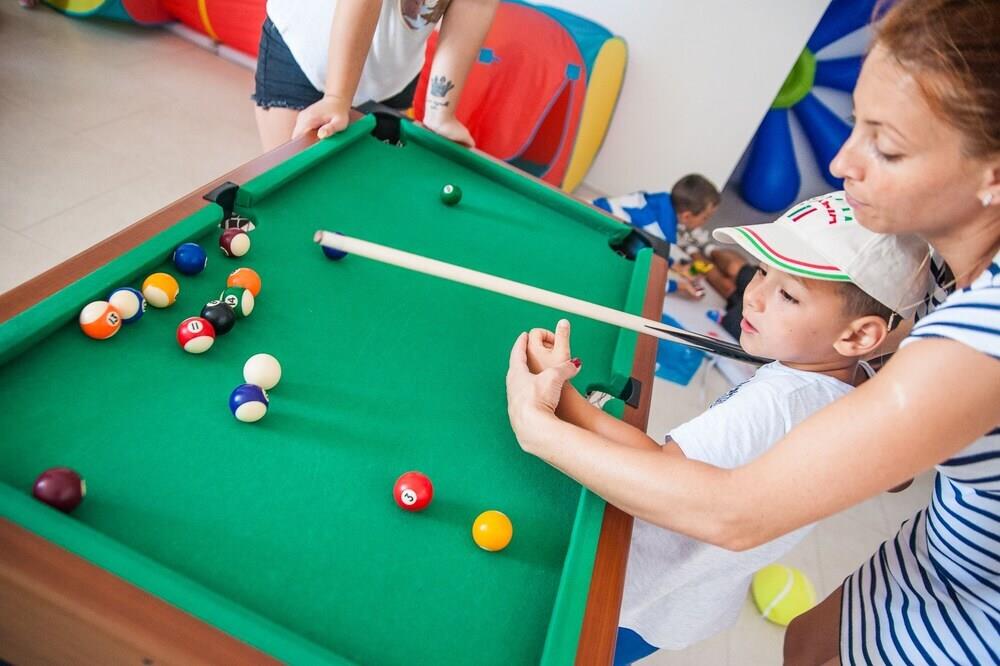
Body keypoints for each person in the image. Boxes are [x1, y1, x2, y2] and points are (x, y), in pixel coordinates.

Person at [505, 0, 999, 663]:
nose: (842, 161)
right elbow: (897, 462)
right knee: (806, 641)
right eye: (856, 124)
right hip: (932, 558)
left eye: (885, 145)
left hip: (972, 623)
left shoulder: (980, 335)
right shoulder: (933, 270)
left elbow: (732, 511)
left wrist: (539, 426)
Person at [521, 192, 930, 664]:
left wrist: (561, 396)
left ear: (859, 335)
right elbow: (898, 474)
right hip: (682, 601)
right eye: (762, 271)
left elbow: (658, 468)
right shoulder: (856, 389)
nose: (752, 296)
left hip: (625, 590)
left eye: (788, 295)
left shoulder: (777, 402)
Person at [253, 0, 497, 151]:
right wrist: (337, 98)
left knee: (363, 193)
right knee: (294, 194)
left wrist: (440, 113)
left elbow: (476, 4)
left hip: (392, 70)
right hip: (307, 50)